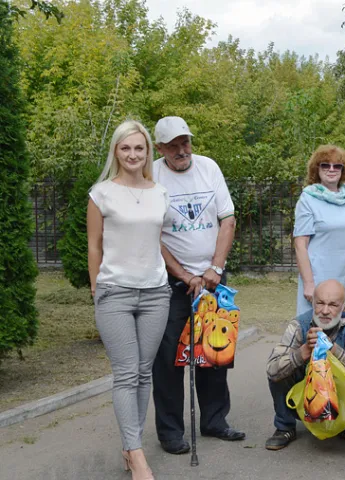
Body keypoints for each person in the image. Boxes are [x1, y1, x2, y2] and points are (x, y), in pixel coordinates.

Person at [151, 116, 245, 455]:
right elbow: (151, 235)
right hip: (170, 283)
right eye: (173, 145)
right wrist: (184, 275)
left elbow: (228, 220)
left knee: (214, 352)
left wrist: (214, 269)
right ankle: (171, 431)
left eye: (185, 142)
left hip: (213, 279)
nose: (182, 150)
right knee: (168, 360)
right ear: (159, 148)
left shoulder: (209, 167)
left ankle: (215, 421)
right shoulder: (151, 176)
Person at [87, 120, 171, 480]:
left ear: (148, 152)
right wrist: (97, 289)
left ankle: (129, 445)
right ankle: (137, 455)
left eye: (139, 148)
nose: (133, 155)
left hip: (155, 292)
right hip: (115, 293)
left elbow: (159, 241)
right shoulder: (101, 193)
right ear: (116, 152)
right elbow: (94, 245)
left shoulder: (159, 192)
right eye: (126, 148)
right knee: (125, 373)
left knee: (142, 372)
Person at [265, 279, 345, 449]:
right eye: (320, 303)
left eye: (333, 305)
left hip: (337, 386)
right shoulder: (299, 325)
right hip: (306, 388)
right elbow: (272, 369)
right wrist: (303, 352)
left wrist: (333, 349)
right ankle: (285, 427)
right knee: (282, 369)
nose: (325, 311)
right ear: (312, 302)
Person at [294, 145, 345, 316]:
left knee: (344, 330)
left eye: (337, 166)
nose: (331, 169)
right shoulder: (308, 198)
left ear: (343, 170)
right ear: (317, 169)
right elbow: (300, 245)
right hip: (319, 278)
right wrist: (309, 283)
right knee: (316, 334)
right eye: (325, 165)